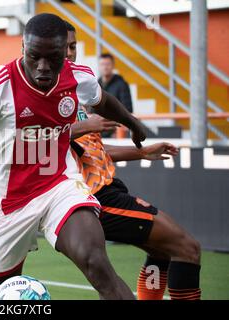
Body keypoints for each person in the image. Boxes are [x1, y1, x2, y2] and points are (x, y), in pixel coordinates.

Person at [0, 13, 148, 300]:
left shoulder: (77, 76)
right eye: (35, 56)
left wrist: (133, 123)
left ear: (66, 51)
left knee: (96, 262)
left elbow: (103, 100)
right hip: (6, 203)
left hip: (58, 186)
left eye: (53, 57)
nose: (43, 67)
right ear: (23, 48)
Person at [67, 25, 202, 300]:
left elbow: (94, 150)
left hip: (109, 188)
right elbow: (34, 141)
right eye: (64, 46)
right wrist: (83, 127)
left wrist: (143, 151)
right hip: (94, 198)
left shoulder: (79, 90)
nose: (70, 53)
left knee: (161, 250)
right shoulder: (47, 97)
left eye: (73, 46)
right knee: (187, 248)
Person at [98, 53, 133, 137]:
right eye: (102, 64)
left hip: (115, 130)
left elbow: (127, 109)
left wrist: (118, 130)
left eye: (108, 64)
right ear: (99, 67)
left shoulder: (122, 84)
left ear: (113, 66)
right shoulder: (96, 84)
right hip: (98, 129)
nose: (105, 67)